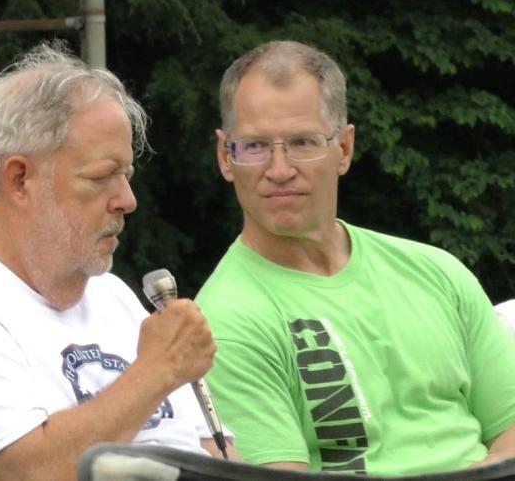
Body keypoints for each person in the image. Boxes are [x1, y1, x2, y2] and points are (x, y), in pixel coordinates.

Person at [0, 42, 232, 481]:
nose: (128, 201)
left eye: (127, 176)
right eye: (100, 178)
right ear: (19, 179)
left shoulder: (111, 296)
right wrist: (157, 371)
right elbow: (24, 474)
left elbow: (216, 454)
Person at [197, 40, 515, 476]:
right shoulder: (224, 323)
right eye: (254, 146)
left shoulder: (437, 273)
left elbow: (510, 429)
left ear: (344, 149)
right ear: (225, 157)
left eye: (302, 142)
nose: (279, 169)